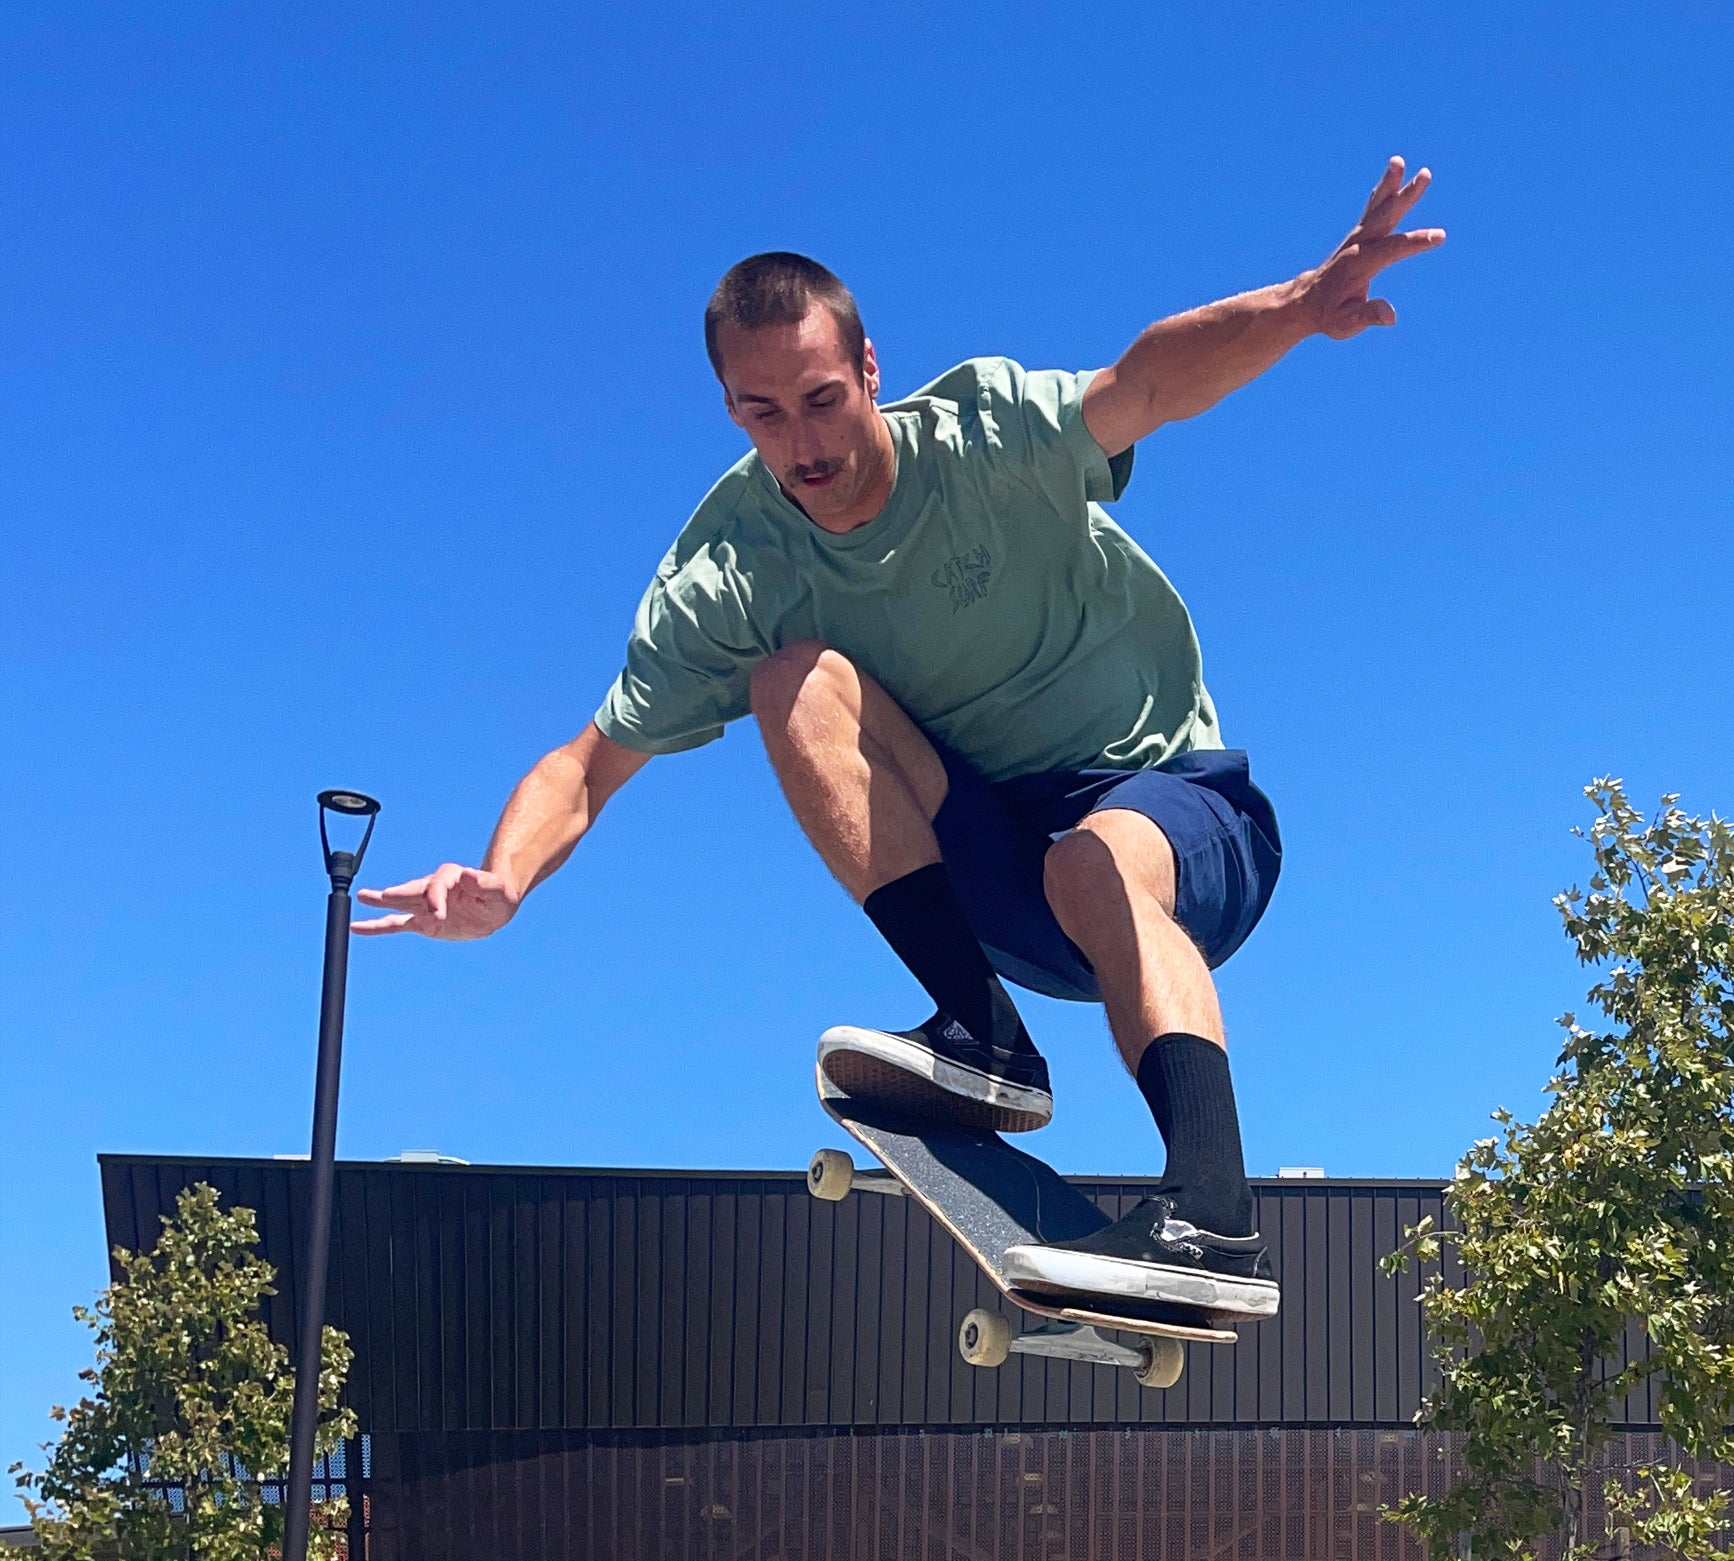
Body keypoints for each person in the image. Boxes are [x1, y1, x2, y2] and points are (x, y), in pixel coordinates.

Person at [358, 161, 1445, 1306]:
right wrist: (504, 878)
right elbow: (590, 761)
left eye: (822, 398)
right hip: (1004, 872)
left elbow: (1145, 385)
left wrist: (1299, 303)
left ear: (869, 371)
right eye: (762, 415)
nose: (803, 446)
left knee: (1096, 859)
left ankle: (1212, 1212)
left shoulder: (981, 437)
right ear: (729, 408)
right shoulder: (731, 566)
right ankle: (984, 1042)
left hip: (1181, 812)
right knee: (791, 680)